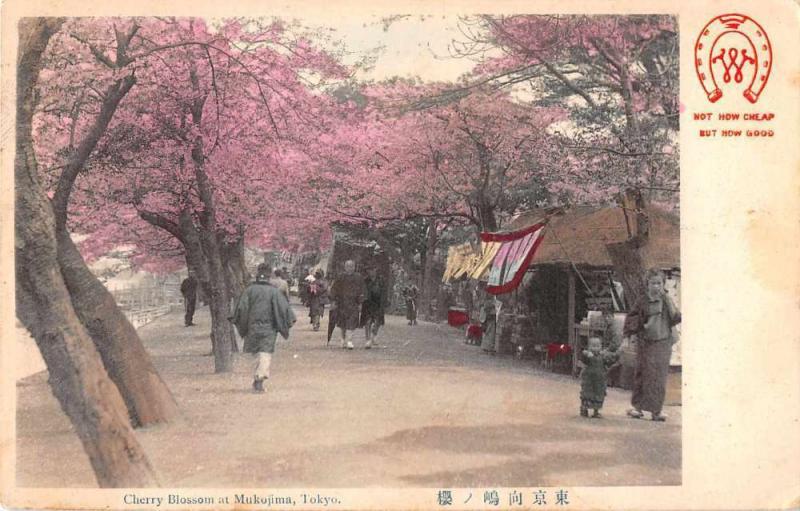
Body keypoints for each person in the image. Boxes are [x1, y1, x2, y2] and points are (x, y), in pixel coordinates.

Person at [624, 269, 682, 421]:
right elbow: (631, 318)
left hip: (663, 342)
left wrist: (670, 303)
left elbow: (676, 317)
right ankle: (637, 407)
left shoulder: (667, 300)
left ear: (663, 284)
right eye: (653, 283)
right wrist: (633, 331)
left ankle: (657, 410)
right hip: (645, 342)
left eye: (659, 283)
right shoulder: (642, 301)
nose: (656, 287)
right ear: (647, 285)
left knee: (659, 377)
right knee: (642, 374)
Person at [233, 263, 296, 393]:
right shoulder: (274, 292)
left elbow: (241, 309)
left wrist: (243, 326)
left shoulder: (249, 291)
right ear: (269, 276)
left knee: (255, 352)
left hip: (252, 327)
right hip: (269, 328)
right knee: (265, 353)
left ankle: (258, 377)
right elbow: (283, 309)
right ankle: (259, 378)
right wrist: (287, 321)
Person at [579, 336, 620, 418]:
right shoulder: (588, 355)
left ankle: (596, 411)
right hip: (588, 380)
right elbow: (583, 359)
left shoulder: (603, 356)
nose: (595, 348)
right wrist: (585, 354)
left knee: (599, 394)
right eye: (593, 346)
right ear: (589, 347)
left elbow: (609, 361)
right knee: (587, 394)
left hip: (599, 381)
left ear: (601, 347)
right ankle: (584, 409)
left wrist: (615, 357)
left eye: (597, 346)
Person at [329, 260, 365, 349]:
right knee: (342, 323)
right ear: (345, 267)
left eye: (351, 266)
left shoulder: (358, 277)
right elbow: (334, 289)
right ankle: (342, 338)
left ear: (354, 267)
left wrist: (360, 302)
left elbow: (362, 290)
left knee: (352, 322)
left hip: (354, 303)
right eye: (348, 266)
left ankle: (350, 340)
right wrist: (333, 301)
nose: (350, 268)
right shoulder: (340, 277)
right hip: (342, 303)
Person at [360, 266, 387, 349]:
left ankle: (374, 334)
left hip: (378, 303)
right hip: (368, 303)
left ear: (376, 270)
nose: (371, 272)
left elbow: (384, 291)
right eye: (370, 270)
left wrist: (384, 301)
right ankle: (368, 339)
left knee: (378, 321)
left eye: (373, 270)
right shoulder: (365, 280)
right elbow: (363, 291)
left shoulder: (381, 280)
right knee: (367, 321)